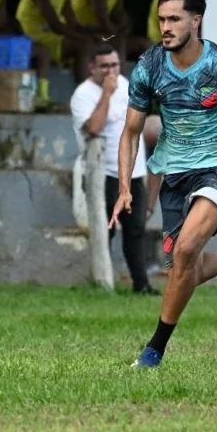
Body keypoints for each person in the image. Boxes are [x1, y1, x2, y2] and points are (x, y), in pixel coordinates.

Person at [110, 0, 217, 368]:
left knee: (184, 253)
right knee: (186, 271)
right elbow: (131, 131)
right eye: (160, 20)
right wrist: (124, 188)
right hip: (174, 172)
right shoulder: (149, 66)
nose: (165, 27)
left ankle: (152, 352)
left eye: (174, 19)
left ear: (195, 21)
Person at [70, 44, 158, 295]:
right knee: (105, 230)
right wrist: (106, 95)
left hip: (133, 172)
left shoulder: (128, 85)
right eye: (104, 66)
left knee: (136, 229)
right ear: (92, 68)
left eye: (115, 65)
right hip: (103, 173)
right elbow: (94, 129)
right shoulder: (83, 95)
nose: (111, 71)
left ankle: (141, 285)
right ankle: (104, 282)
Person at [15, 0, 94, 92]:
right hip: (31, 35)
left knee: (94, 43)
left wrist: (91, 35)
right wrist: (82, 38)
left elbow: (72, 22)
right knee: (82, 45)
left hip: (49, 35)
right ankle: (84, 93)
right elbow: (54, 24)